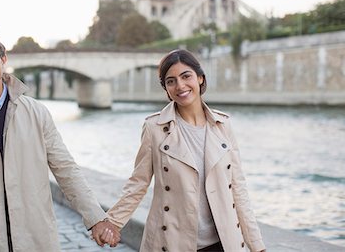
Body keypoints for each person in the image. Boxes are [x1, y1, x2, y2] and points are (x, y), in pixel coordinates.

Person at [0, 29, 118, 252]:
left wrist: (96, 218)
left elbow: (66, 169)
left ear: (3, 59)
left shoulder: (37, 113)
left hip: (36, 242)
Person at [107, 49, 266, 251]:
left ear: (200, 78)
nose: (180, 86)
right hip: (172, 242)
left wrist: (256, 245)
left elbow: (238, 188)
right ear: (165, 87)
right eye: (171, 81)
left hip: (223, 244)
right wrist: (113, 222)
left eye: (186, 76)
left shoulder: (223, 125)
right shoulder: (154, 128)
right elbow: (138, 183)